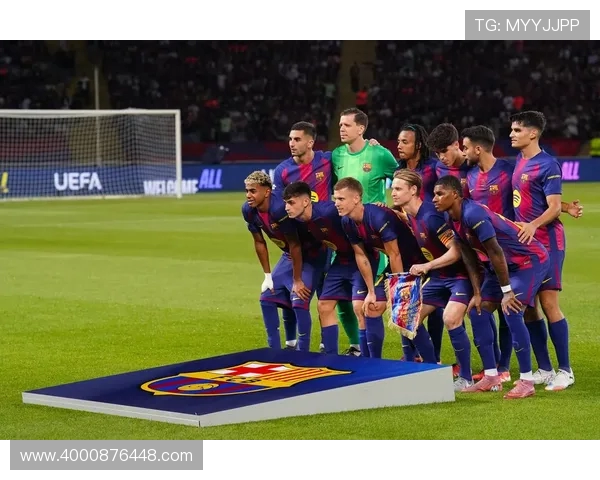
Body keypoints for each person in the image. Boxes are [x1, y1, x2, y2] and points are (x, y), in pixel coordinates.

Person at [433, 175, 549, 399]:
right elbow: (468, 255)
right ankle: (491, 377)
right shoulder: (451, 217)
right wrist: (477, 293)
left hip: (527, 261)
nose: (435, 198)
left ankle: (526, 381)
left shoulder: (473, 214)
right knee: (478, 311)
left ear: (455, 195)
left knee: (512, 310)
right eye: (434, 194)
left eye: (440, 194)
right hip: (502, 266)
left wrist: (506, 292)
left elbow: (495, 251)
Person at [272, 121, 361, 355]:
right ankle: (297, 343)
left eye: (297, 139)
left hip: (328, 234)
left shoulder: (327, 160)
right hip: (303, 239)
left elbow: (354, 150)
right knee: (299, 294)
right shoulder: (283, 170)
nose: (292, 143)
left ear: (310, 142)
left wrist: (370, 144)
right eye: (290, 139)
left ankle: (335, 344)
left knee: (330, 293)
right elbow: (279, 206)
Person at [333, 177, 434, 361]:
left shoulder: (378, 217)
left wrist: (399, 289)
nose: (336, 203)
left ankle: (431, 365)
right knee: (372, 306)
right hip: (396, 264)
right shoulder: (347, 222)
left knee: (405, 314)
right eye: (335, 199)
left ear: (356, 198)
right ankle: (374, 364)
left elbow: (394, 254)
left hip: (416, 263)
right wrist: (371, 292)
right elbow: (361, 256)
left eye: (341, 199)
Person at [391, 169, 474, 390]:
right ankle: (432, 371)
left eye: (398, 188)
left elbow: (456, 251)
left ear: (413, 190)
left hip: (459, 276)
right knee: (408, 317)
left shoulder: (431, 216)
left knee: (451, 319)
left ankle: (466, 378)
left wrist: (427, 266)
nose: (393, 193)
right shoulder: (412, 214)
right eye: (393, 188)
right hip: (439, 278)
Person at [509, 111, 574, 390]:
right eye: (512, 130)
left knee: (548, 304)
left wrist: (533, 225)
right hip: (525, 244)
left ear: (533, 133)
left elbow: (554, 207)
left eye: (517, 130)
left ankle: (565, 370)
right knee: (528, 308)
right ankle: (545, 368)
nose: (511, 134)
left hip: (547, 242)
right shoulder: (519, 160)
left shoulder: (548, 164)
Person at [242, 171, 326, 352]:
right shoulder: (248, 210)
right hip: (290, 255)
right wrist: (267, 276)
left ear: (267, 192)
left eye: (253, 191)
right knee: (266, 298)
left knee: (299, 299)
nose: (248, 195)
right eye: (247, 190)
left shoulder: (279, 209)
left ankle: (303, 354)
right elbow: (259, 242)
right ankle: (275, 352)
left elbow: (295, 244)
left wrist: (297, 280)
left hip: (312, 253)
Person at [282, 181, 367, 355]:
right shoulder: (301, 221)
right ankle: (331, 356)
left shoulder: (329, 212)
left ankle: (368, 357)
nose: (286, 208)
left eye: (291, 203)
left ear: (306, 202)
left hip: (361, 257)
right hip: (341, 259)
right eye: (286, 203)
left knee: (360, 307)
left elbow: (360, 214)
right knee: (324, 305)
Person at [396, 123, 444, 363]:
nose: (399, 145)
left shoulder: (434, 167)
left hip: (431, 235)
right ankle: (411, 356)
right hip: (407, 238)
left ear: (419, 145)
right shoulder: (398, 168)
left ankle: (434, 356)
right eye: (398, 141)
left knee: (434, 303)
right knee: (405, 296)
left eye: (405, 142)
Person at [427, 123, 471, 198]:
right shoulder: (439, 168)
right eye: (437, 153)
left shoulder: (474, 165)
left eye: (444, 151)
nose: (441, 157)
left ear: (456, 145)